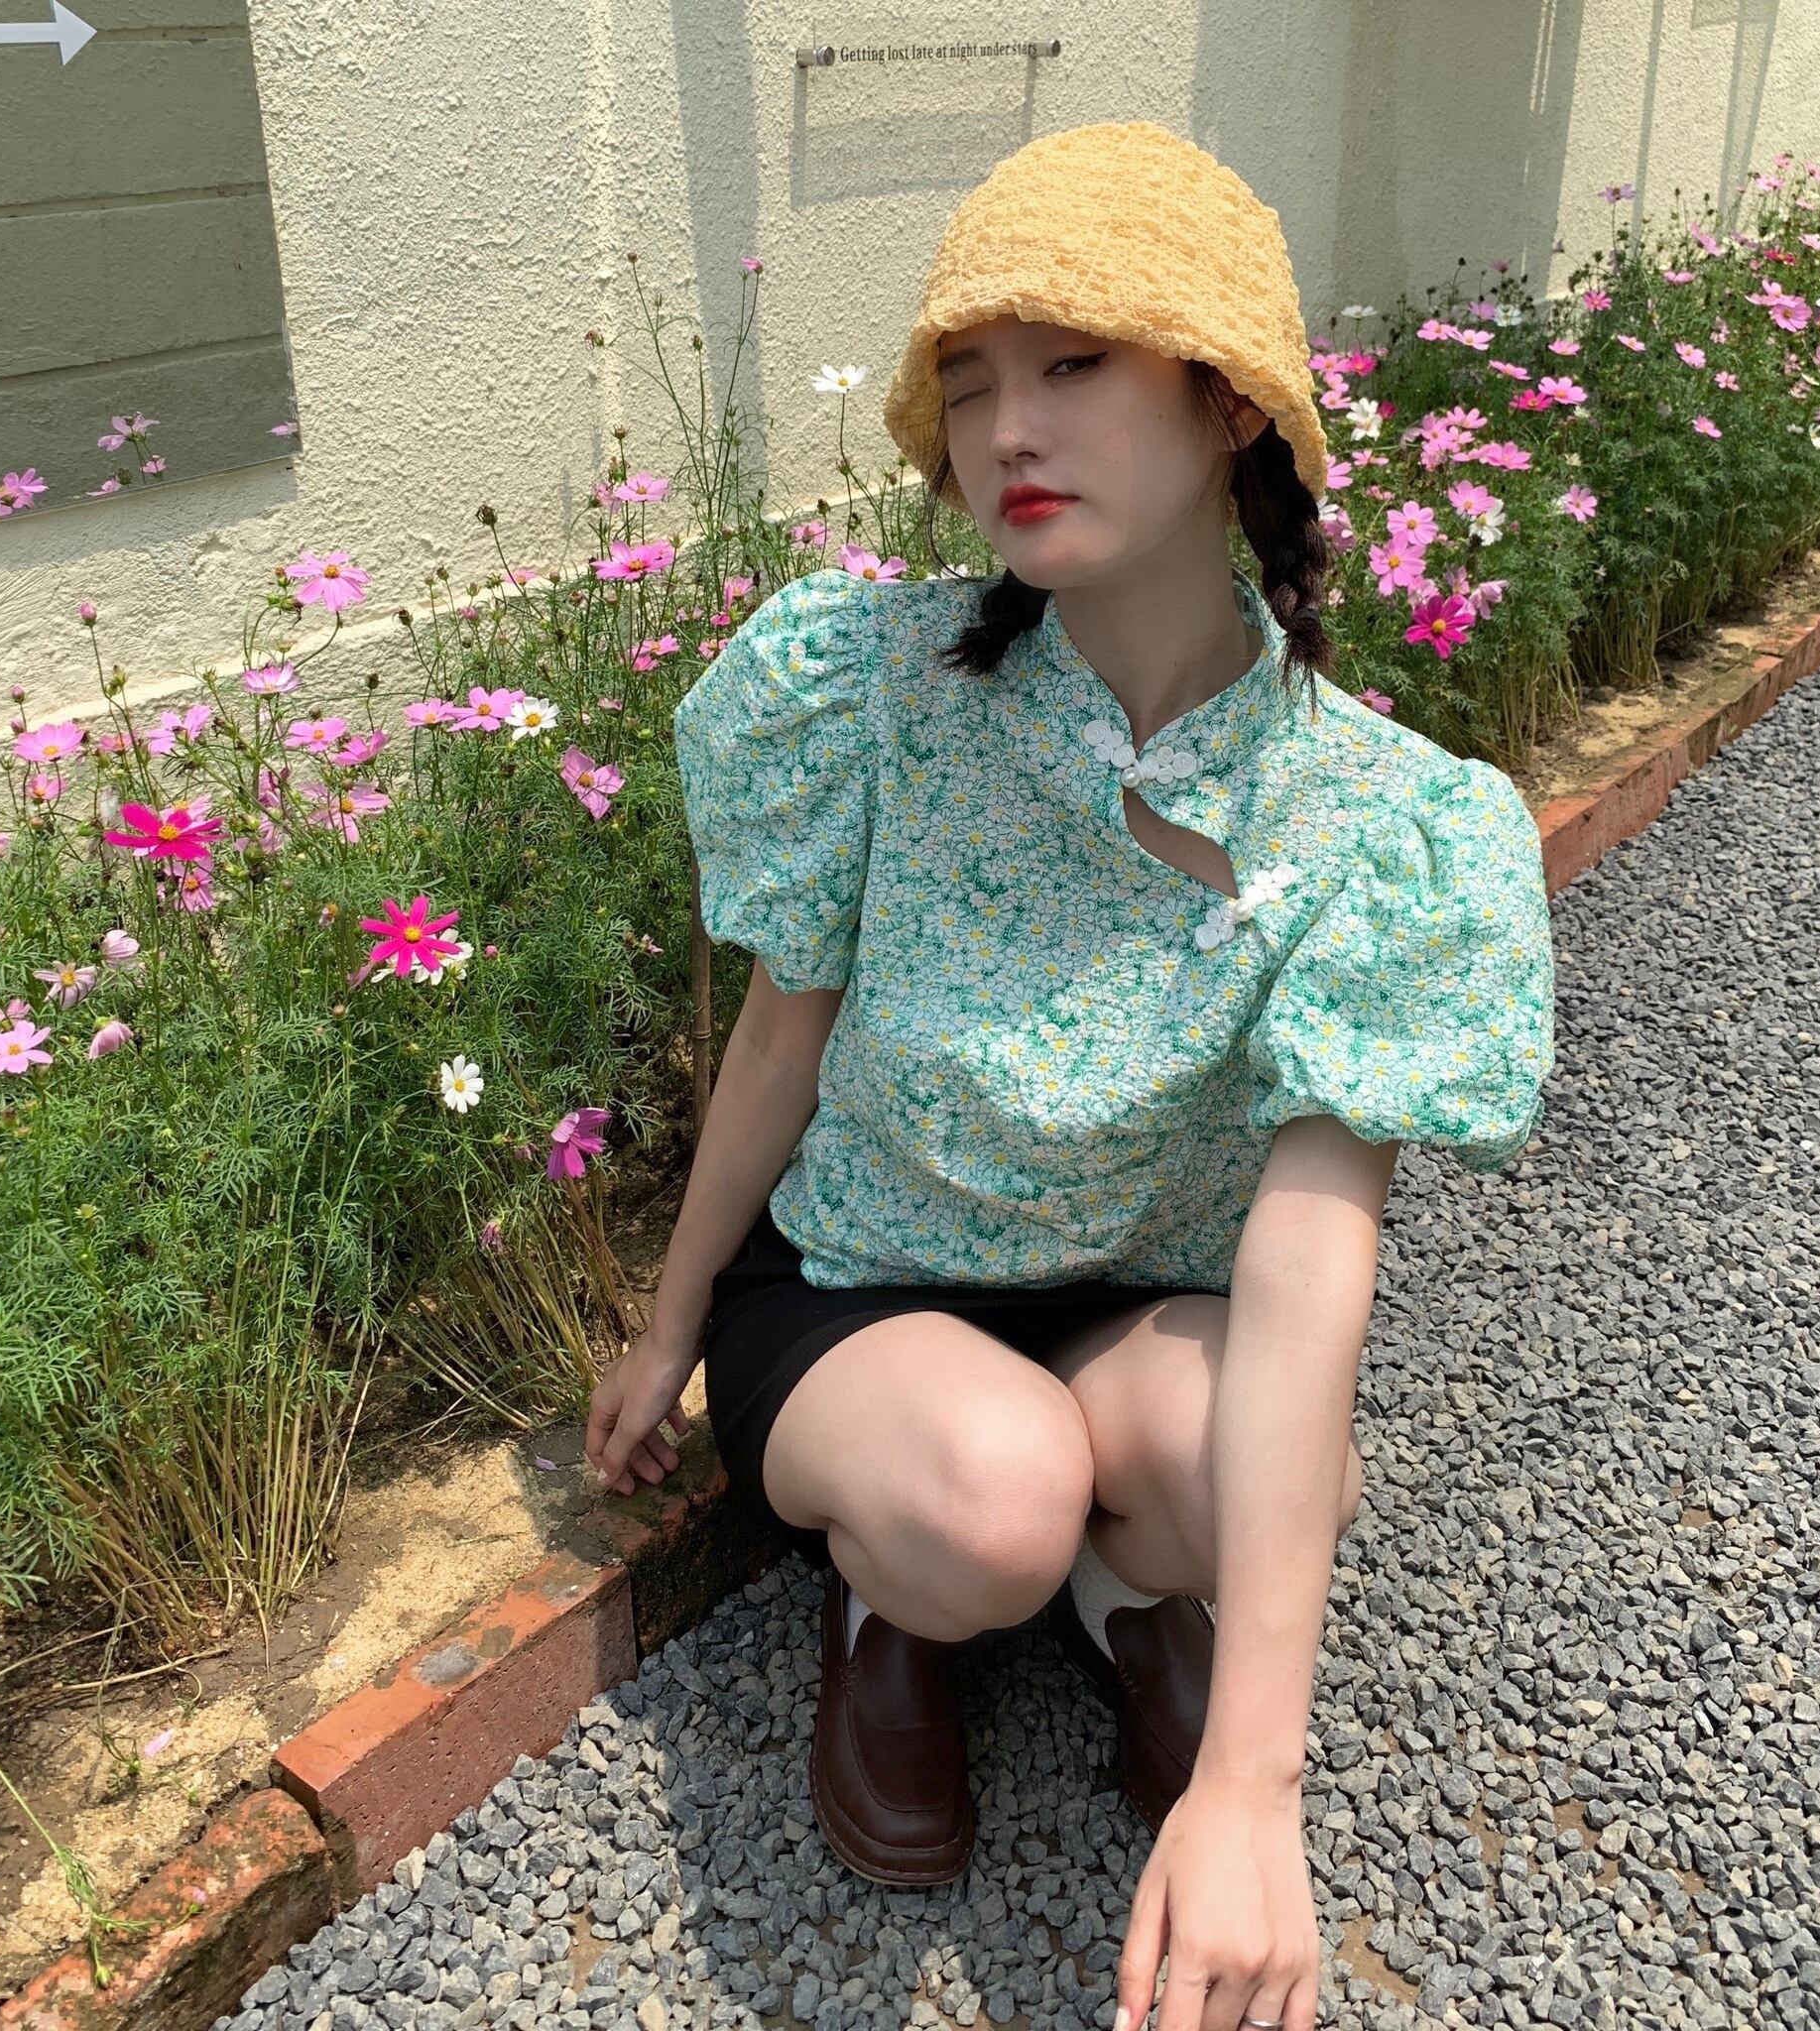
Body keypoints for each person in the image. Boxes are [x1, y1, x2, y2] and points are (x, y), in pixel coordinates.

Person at [586, 120, 1556, 2031]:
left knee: (1267, 1475)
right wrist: (670, 1323)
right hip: (861, 1283)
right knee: (991, 1498)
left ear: (1227, 403)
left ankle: (1123, 1600)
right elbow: (783, 1032)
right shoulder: (878, 691)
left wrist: (1254, 1784)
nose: (1005, 431)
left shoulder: (1388, 823)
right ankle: (898, 1600)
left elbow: (1309, 1263)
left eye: (1074, 364)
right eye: (969, 383)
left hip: (1139, 1298)